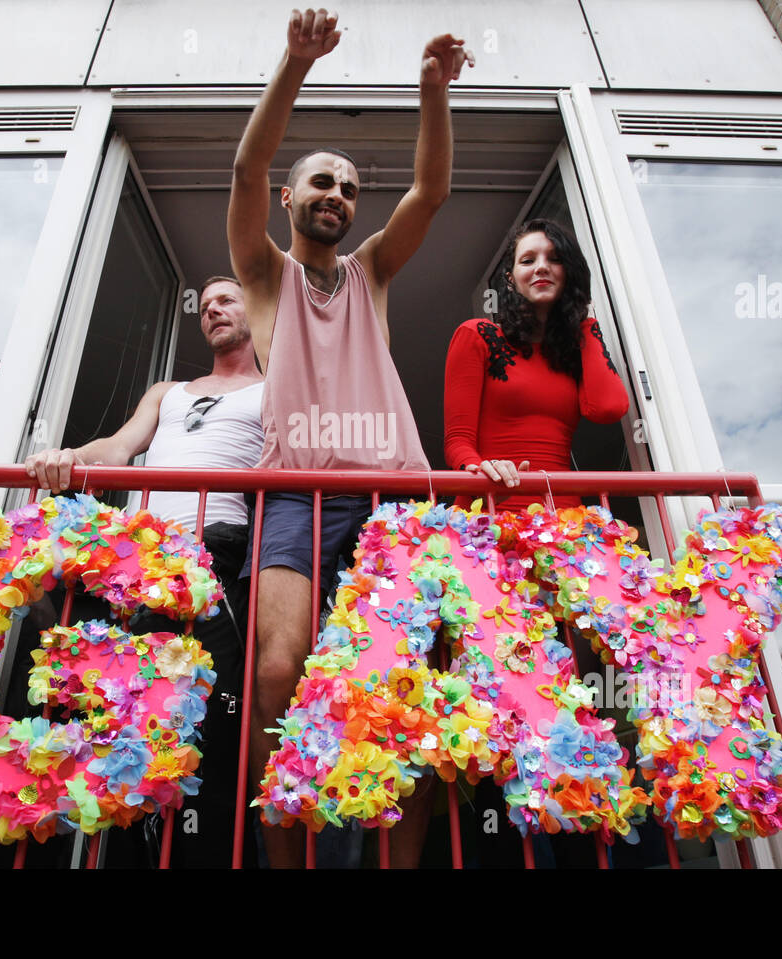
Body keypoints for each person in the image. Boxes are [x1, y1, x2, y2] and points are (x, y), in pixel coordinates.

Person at [228, 8, 472, 867]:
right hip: (294, 489)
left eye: (348, 187)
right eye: (319, 183)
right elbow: (247, 163)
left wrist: (431, 91)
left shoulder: (370, 273)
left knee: (403, 688)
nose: (335, 194)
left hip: (393, 499)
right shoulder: (264, 274)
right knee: (273, 672)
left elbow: (430, 193)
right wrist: (294, 64)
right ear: (291, 200)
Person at [24, 275, 263, 867]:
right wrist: (69, 457)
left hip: (219, 561)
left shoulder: (277, 388)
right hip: (143, 564)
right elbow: (119, 447)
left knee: (216, 719)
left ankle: (207, 855)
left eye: (227, 300)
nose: (213, 311)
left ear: (255, 308)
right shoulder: (168, 390)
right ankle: (132, 856)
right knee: (132, 722)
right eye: (205, 306)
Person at [443, 218, 629, 511]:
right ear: (510, 278)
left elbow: (609, 408)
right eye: (528, 260)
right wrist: (485, 472)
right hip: (491, 515)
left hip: (564, 523)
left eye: (555, 259)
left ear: (569, 274)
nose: (541, 267)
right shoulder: (478, 335)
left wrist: (586, 319)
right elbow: (457, 443)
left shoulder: (573, 351)